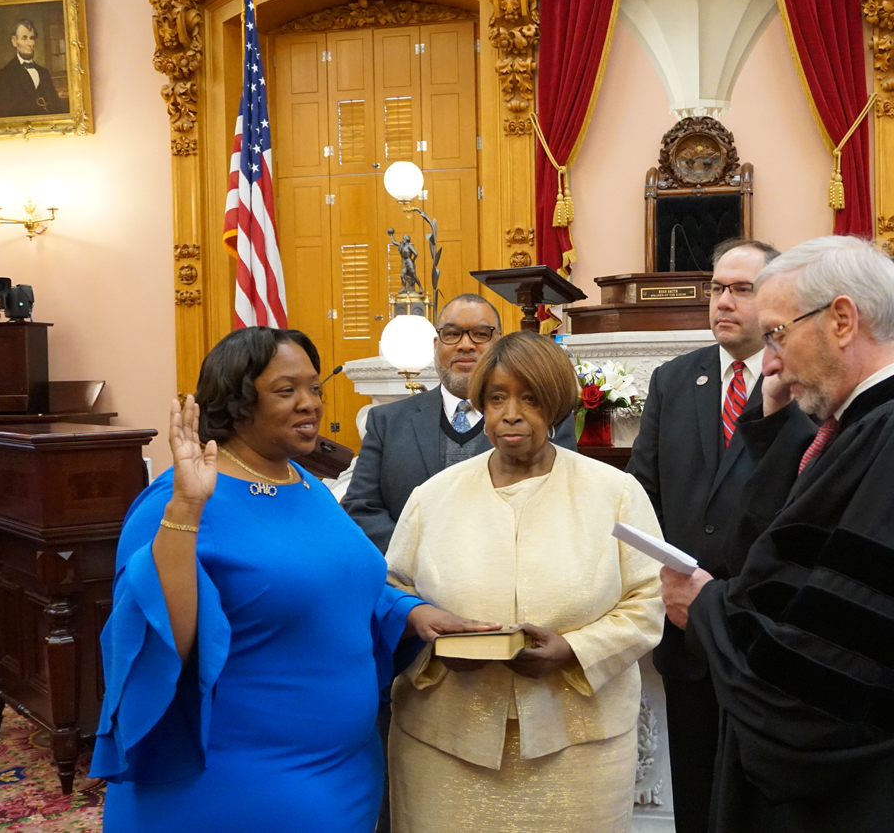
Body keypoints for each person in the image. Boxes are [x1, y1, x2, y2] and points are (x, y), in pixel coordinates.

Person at [660, 235, 894, 832]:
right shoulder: (866, 430)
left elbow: (846, 663)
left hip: (881, 799)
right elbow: (775, 562)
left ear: (841, 320)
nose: (768, 362)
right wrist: (771, 430)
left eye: (776, 334)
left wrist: (709, 610)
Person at [91, 327, 494, 833]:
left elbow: (339, 584)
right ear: (238, 402)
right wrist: (187, 508)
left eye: (314, 388)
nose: (310, 404)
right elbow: (162, 639)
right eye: (286, 391)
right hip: (238, 785)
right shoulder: (181, 501)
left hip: (345, 773)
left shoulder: (303, 482)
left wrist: (410, 612)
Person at [385, 332, 665, 833]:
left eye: (529, 398)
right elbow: (391, 593)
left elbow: (649, 599)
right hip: (446, 739)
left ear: (555, 405)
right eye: (496, 398)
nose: (510, 413)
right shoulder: (432, 497)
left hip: (578, 744)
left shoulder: (616, 493)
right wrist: (429, 634)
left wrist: (575, 649)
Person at [625, 236, 816, 833]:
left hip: (769, 630)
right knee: (699, 795)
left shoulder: (811, 385)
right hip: (687, 631)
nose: (723, 302)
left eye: (741, 289)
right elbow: (644, 491)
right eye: (716, 288)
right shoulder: (674, 380)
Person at [340, 293, 575, 553]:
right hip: (407, 582)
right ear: (435, 345)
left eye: (480, 334)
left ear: (499, 343)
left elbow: (558, 505)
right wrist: (417, 559)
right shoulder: (387, 421)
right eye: (452, 334)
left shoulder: (542, 420)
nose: (465, 345)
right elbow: (360, 508)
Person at [0, 18, 67, 118]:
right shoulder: (4, 75)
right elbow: (2, 115)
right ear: (14, 41)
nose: (30, 43)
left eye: (32, 38)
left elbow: (57, 108)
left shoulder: (44, 72)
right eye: (24, 38)